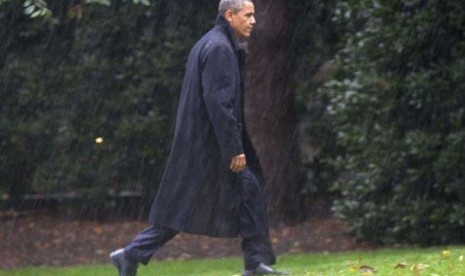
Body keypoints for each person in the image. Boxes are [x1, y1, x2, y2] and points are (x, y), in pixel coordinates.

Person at [110, 1, 288, 275]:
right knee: (188, 206)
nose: (254, 21)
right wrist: (233, 149)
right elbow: (219, 104)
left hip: (203, 144)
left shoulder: (213, 43)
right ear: (230, 16)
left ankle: (254, 263)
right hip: (211, 147)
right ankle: (132, 254)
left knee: (243, 194)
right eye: (248, 15)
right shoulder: (219, 48)